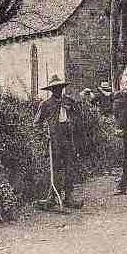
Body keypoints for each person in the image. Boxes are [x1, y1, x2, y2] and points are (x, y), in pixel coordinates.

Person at [33, 75, 83, 209]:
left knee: (69, 167)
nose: (57, 90)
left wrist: (73, 120)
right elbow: (36, 123)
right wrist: (44, 135)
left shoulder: (69, 101)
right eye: (55, 88)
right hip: (54, 139)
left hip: (68, 137)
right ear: (51, 90)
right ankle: (52, 197)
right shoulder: (45, 105)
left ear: (62, 88)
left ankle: (69, 197)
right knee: (55, 168)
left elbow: (78, 116)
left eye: (59, 87)